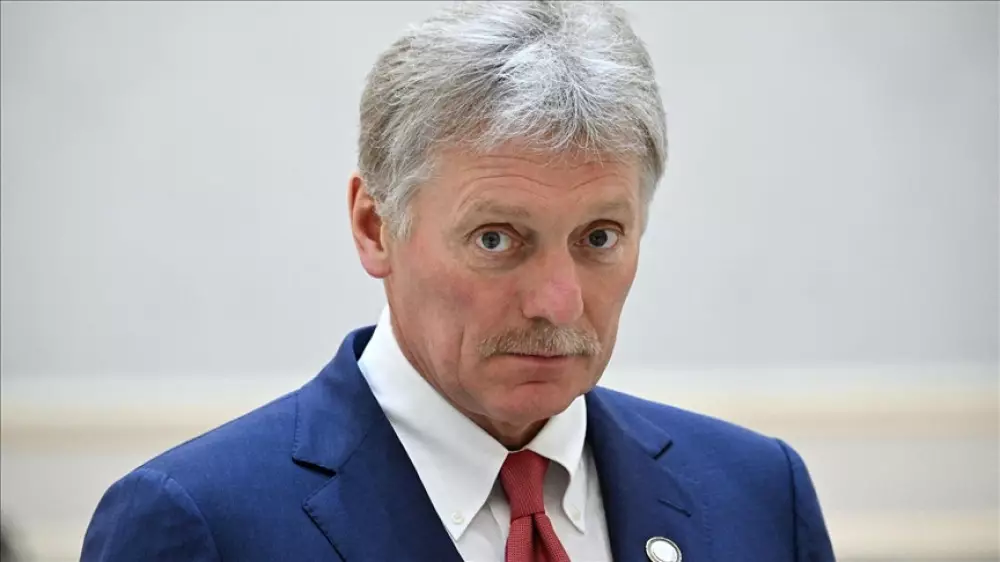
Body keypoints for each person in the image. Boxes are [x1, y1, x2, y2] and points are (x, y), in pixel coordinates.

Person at [81, 2, 835, 561]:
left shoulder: (759, 494)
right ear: (375, 227)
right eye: (497, 239)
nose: (558, 303)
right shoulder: (201, 525)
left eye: (598, 238)